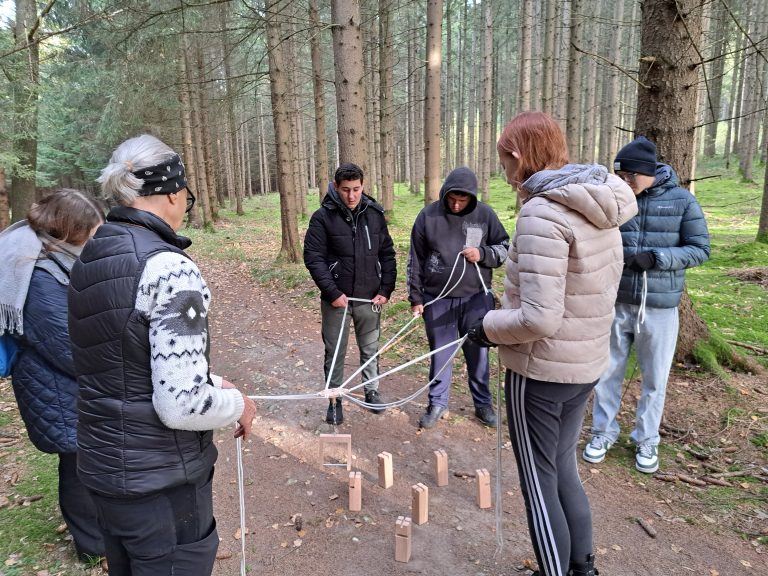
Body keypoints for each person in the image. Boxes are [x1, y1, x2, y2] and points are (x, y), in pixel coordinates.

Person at [67, 134, 257, 575]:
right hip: (161, 484)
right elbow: (181, 404)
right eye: (186, 197)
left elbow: (126, 364)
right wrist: (238, 404)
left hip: (104, 471)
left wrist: (217, 383)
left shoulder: (91, 256)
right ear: (174, 192)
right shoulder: (169, 268)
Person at [467, 111, 638, 576]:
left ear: (519, 156)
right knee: (563, 468)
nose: (503, 171)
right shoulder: (598, 203)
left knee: (539, 483)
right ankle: (582, 567)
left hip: (540, 372)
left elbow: (540, 317)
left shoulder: (543, 211)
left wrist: (486, 327)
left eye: (504, 159)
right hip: (583, 366)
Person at [583, 136, 710, 474]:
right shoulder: (615, 200)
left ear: (647, 172)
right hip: (615, 302)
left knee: (655, 378)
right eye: (618, 176)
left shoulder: (682, 201)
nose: (622, 183)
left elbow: (700, 249)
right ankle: (602, 433)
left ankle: (647, 438)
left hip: (659, 307)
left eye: (628, 177)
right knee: (607, 372)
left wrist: (657, 257)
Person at [0, 190, 106, 565]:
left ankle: (97, 536)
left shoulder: (48, 252)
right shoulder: (37, 273)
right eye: (92, 229)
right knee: (77, 465)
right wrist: (109, 365)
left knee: (83, 459)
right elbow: (65, 346)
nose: (97, 236)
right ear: (69, 229)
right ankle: (92, 547)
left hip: (60, 381)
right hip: (54, 385)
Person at [406, 166, 509, 429]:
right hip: (437, 300)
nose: (456, 203)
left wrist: (483, 254)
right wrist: (416, 298)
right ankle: (437, 403)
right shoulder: (428, 216)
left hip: (476, 299)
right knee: (441, 355)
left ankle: (483, 405)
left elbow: (505, 248)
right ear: (445, 193)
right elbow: (415, 260)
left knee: (479, 356)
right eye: (452, 198)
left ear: (471, 198)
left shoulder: (485, 215)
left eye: (462, 199)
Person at [304, 163, 397, 425]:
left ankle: (372, 391)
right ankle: (335, 400)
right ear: (336, 187)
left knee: (370, 347)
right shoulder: (322, 218)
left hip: (370, 298)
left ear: (363, 186)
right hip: (337, 300)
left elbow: (387, 254)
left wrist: (385, 289)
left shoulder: (375, 215)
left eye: (356, 189)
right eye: (346, 190)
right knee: (335, 352)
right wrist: (332, 292)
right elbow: (313, 258)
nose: (352, 196)